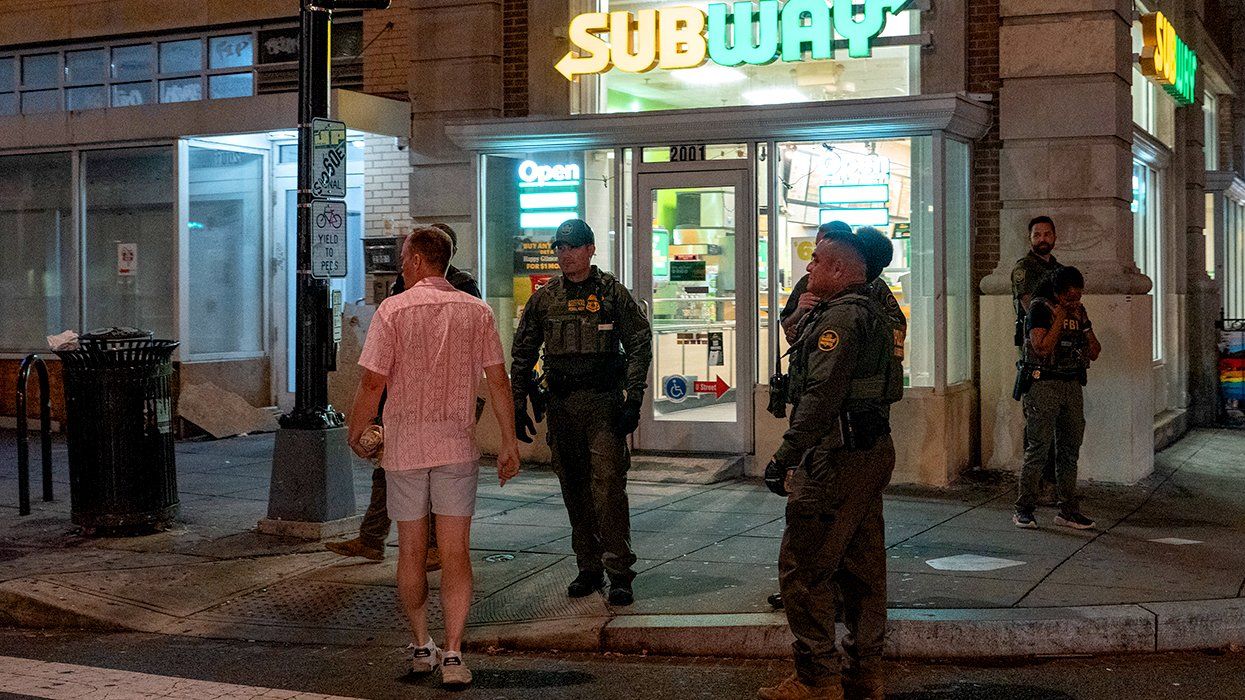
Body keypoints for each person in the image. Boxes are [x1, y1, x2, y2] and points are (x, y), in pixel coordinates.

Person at [346, 226, 521, 689]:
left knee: (410, 550)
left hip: (404, 447)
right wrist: (508, 441)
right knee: (456, 550)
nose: (401, 267)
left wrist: (356, 430)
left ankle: (422, 644)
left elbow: (372, 383)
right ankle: (454, 653)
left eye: (405, 259)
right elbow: (498, 380)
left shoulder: (393, 311)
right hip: (457, 445)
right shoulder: (477, 311)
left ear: (420, 261)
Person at [759, 229, 901, 700]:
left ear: (840, 270)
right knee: (862, 568)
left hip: (835, 459)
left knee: (804, 567)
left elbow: (821, 399)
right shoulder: (872, 312)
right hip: (868, 453)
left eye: (816, 261)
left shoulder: (839, 321)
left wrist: (785, 456)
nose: (809, 268)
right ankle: (864, 673)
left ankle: (816, 679)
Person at [509, 218, 652, 606]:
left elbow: (640, 343)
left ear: (590, 249)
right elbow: (522, 351)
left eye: (572, 247)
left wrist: (633, 398)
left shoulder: (611, 293)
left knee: (607, 487)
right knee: (573, 487)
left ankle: (619, 571)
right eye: (559, 247)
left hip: (602, 403)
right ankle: (588, 567)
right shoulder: (545, 298)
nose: (564, 254)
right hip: (562, 405)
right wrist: (517, 399)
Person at [328, 223, 481, 571]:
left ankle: (430, 547)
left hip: (442, 401)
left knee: (433, 475)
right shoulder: (403, 285)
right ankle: (372, 539)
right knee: (388, 470)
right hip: (403, 396)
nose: (405, 263)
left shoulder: (463, 286)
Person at [1013, 265, 1101, 530]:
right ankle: (1024, 508)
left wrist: (1085, 329)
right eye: (1069, 297)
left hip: (1071, 383)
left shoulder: (1079, 312)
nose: (1075, 302)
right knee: (1038, 448)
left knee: (1069, 449)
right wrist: (1061, 316)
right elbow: (1041, 348)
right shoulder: (1040, 309)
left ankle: (1068, 510)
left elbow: (1095, 351)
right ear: (1057, 292)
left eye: (1079, 297)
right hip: (1044, 384)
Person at [1011, 216, 1063, 494]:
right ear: (1030, 239)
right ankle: (1035, 485)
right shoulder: (1024, 269)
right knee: (1037, 420)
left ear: (1055, 237)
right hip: (1035, 349)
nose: (1042, 239)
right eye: (1036, 235)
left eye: (1046, 234)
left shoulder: (1060, 270)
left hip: (1061, 352)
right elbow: (1033, 306)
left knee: (1058, 419)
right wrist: (1059, 312)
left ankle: (1054, 482)